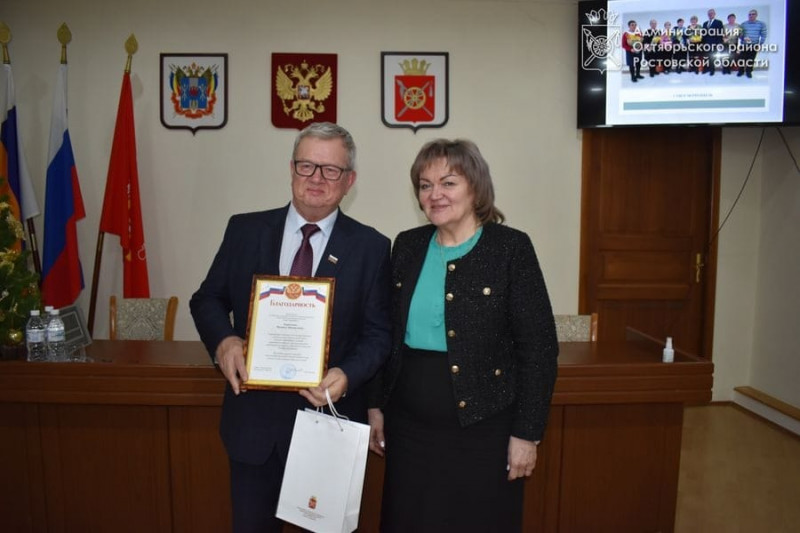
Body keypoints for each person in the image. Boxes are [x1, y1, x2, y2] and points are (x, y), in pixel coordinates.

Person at [190, 122, 391, 533]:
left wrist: (347, 375)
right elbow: (206, 299)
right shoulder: (245, 230)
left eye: (331, 170)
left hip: (329, 423)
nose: (316, 178)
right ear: (291, 169)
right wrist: (225, 341)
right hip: (254, 429)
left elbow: (378, 334)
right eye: (307, 166)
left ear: (349, 181)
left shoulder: (371, 247)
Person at [367, 139, 559, 532]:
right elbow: (385, 334)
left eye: (448, 183)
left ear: (476, 187)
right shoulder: (408, 245)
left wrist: (527, 434)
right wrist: (374, 405)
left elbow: (538, 349)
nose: (434, 194)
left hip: (484, 432)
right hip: (409, 431)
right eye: (425, 185)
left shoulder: (510, 248)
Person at [739, 9, 767, 78]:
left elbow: (763, 35)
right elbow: (739, 34)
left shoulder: (761, 24)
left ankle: (748, 72)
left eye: (753, 14)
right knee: (742, 59)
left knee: (751, 59)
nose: (751, 15)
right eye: (749, 14)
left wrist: (760, 44)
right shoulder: (743, 24)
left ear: (756, 15)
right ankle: (741, 71)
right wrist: (743, 37)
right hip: (744, 45)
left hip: (754, 45)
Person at [702, 8, 724, 75]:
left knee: (712, 56)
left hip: (715, 43)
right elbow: (703, 34)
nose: (710, 14)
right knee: (706, 56)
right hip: (706, 43)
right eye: (709, 13)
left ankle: (712, 69)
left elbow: (720, 33)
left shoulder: (718, 22)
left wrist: (719, 43)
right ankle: (706, 68)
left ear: (714, 14)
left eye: (711, 13)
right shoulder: (705, 23)